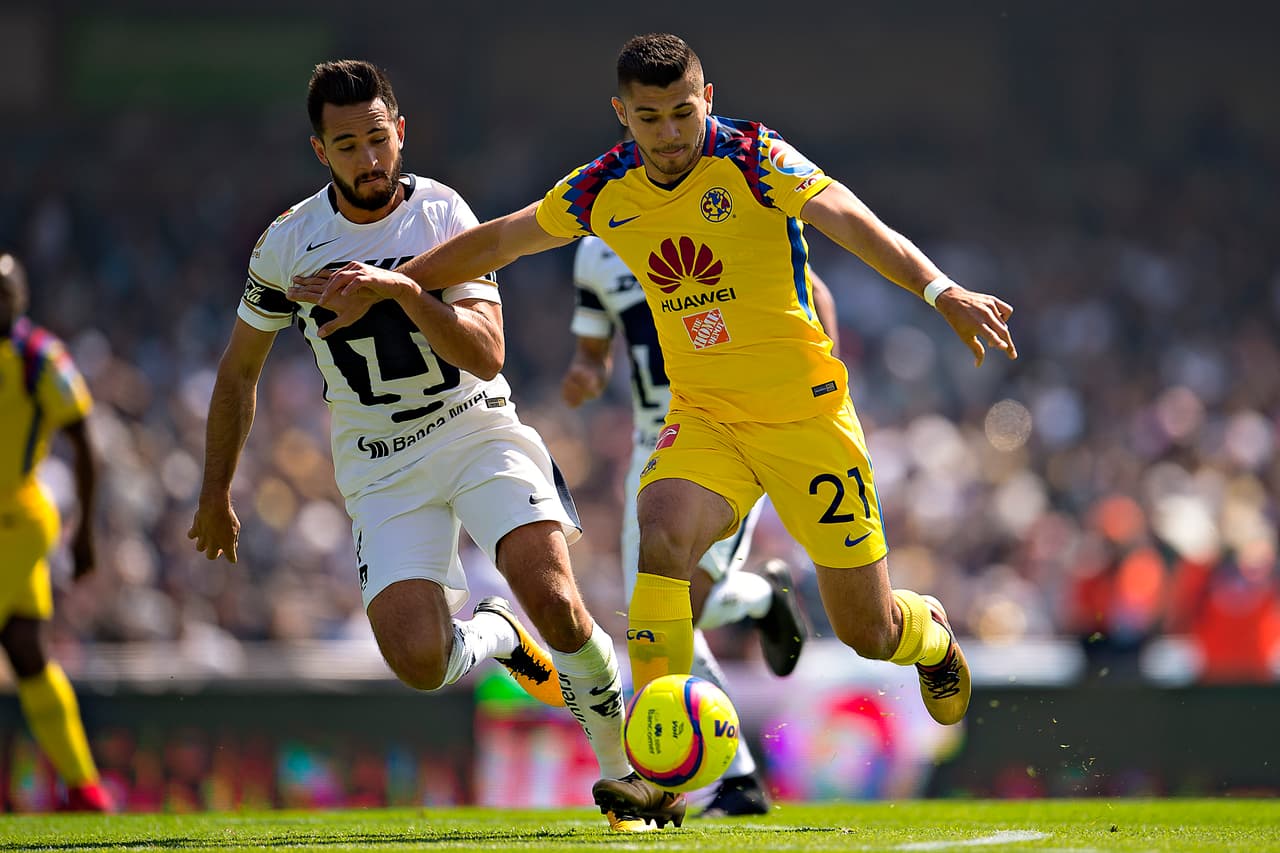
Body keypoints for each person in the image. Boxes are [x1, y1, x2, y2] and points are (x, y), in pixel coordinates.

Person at [289, 34, 1017, 826]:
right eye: (650, 118)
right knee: (660, 530)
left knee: (866, 630)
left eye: (682, 112)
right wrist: (398, 281)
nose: (669, 133)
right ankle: (659, 773)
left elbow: (846, 217)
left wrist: (938, 288)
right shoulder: (604, 185)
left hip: (806, 418)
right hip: (705, 418)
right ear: (622, 116)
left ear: (708, 97)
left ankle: (929, 633)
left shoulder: (754, 158)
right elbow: (504, 237)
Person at [188, 60, 681, 831]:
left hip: (475, 427)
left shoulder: (443, 214)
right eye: (347, 145)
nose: (368, 158)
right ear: (321, 151)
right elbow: (238, 371)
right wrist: (215, 492)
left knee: (555, 598)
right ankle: (494, 633)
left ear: (400, 133)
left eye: (378, 138)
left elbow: (487, 353)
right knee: (420, 663)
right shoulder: (287, 245)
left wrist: (402, 290)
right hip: (381, 467)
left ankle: (625, 778)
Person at [560, 235, 836, 816]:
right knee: (657, 615)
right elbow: (593, 345)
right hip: (653, 446)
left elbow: (812, 292)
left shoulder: (714, 205)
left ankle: (725, 779)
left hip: (732, 434)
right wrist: (586, 372)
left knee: (677, 609)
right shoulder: (595, 250)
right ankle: (760, 601)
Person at [0, 252, 111, 812]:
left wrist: (86, 531)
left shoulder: (38, 356)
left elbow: (85, 443)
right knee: (24, 651)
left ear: (21, 297)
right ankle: (84, 788)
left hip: (14, 521)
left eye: (6, 292)